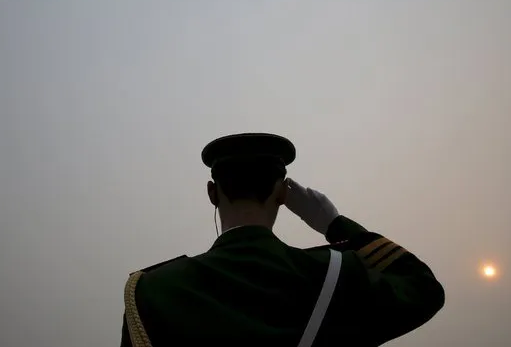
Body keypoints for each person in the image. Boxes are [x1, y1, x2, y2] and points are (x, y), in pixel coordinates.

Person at [120, 133, 445, 347]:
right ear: (281, 194)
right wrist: (334, 224)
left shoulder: (152, 290)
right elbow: (422, 287)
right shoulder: (335, 275)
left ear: (212, 193)